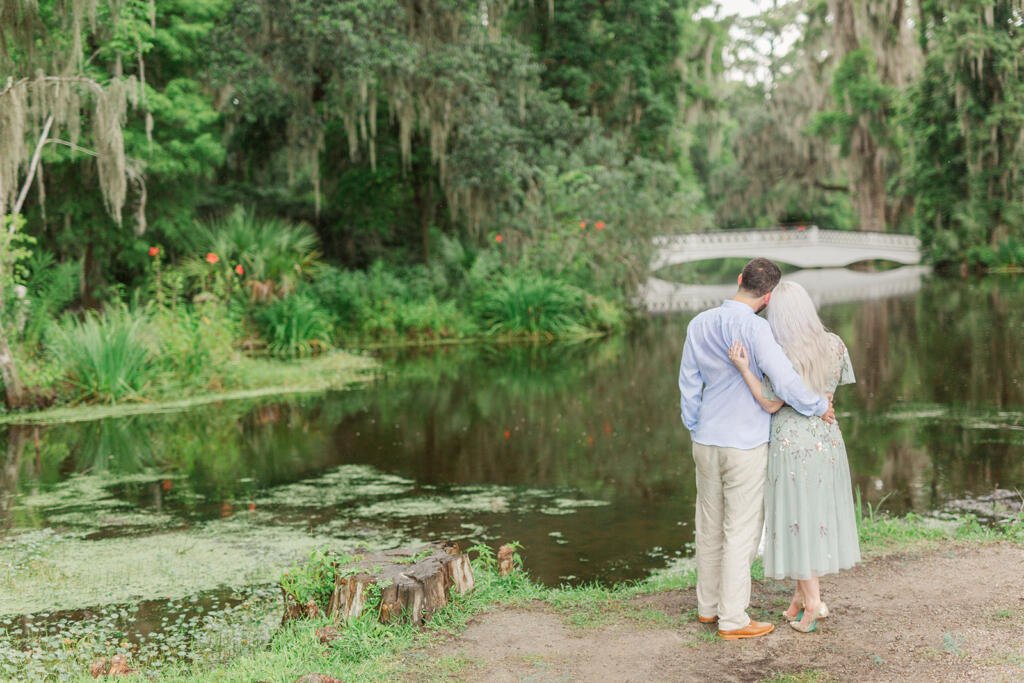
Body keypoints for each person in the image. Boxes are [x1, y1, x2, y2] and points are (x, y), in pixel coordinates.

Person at [679, 258, 835, 641]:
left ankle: (708, 608)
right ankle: (733, 619)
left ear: (738, 280)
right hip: (745, 442)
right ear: (768, 297)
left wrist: (695, 424)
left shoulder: (698, 324)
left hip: (706, 438)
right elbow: (785, 382)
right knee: (742, 531)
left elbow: (687, 382)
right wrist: (819, 406)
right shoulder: (757, 329)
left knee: (709, 525)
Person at [727, 280, 860, 633]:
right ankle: (799, 600)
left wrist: (743, 369)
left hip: (791, 441)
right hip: (827, 439)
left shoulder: (780, 351)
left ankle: (814, 604)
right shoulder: (835, 344)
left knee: (795, 520)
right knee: (809, 517)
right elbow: (830, 394)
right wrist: (820, 401)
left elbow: (771, 401)